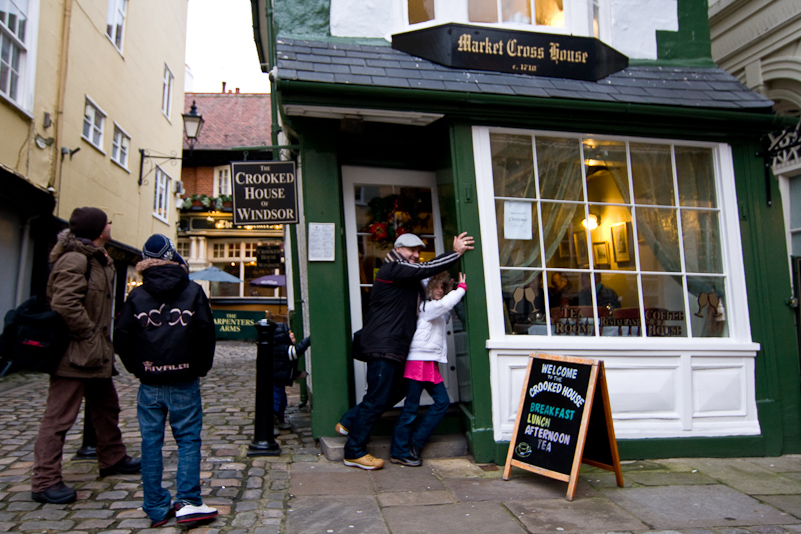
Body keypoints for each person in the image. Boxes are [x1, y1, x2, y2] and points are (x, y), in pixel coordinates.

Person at [337, 231, 474, 470]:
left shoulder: (406, 277)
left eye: (419, 251)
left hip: (394, 349)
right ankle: (354, 451)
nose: (416, 255)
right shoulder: (393, 268)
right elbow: (427, 269)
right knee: (378, 398)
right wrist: (456, 252)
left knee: (394, 392)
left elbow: (428, 283)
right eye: (412, 249)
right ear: (398, 248)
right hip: (383, 345)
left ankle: (349, 421)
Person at [31, 207, 140, 505]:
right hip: (74, 354)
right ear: (96, 229)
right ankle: (44, 480)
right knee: (59, 418)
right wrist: (89, 333)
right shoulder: (75, 259)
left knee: (107, 408)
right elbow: (64, 303)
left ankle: (113, 457)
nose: (111, 224)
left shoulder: (97, 259)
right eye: (107, 221)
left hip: (95, 354)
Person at [114, 234, 218, 528]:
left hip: (150, 382)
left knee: (150, 443)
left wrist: (139, 369)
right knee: (188, 440)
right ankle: (188, 501)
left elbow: (121, 338)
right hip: (184, 378)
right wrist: (199, 367)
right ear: (173, 257)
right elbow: (206, 333)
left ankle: (156, 506)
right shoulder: (193, 291)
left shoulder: (137, 296)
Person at [390, 271, 466, 466]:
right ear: (428, 288)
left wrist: (452, 287)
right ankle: (399, 451)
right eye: (437, 286)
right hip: (417, 361)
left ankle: (415, 442)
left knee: (441, 402)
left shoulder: (436, 310)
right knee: (411, 408)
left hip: (429, 362)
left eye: (443, 287)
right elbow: (445, 304)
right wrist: (461, 289)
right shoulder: (425, 307)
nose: (440, 291)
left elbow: (447, 309)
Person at [273, 323, 310, 430]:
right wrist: (308, 341)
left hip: (279, 381)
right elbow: (295, 352)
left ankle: (280, 419)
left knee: (282, 401)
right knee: (276, 401)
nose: (292, 334)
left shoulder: (283, 348)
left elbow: (287, 367)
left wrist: (296, 374)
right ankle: (272, 423)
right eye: (289, 333)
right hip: (276, 381)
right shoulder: (283, 349)